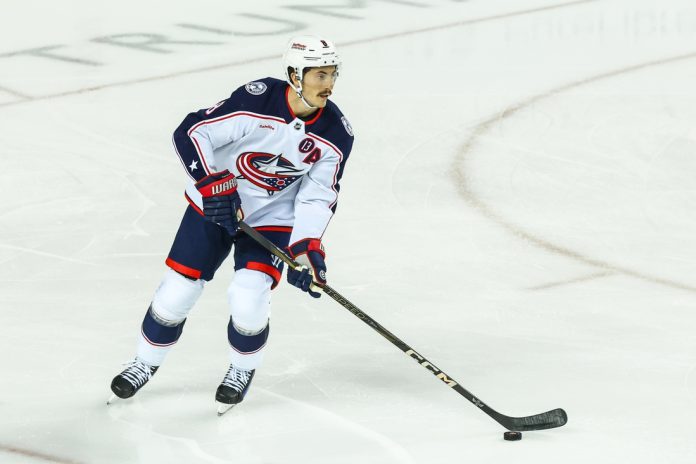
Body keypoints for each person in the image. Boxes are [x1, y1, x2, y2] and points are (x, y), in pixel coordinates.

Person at [108, 35, 353, 414]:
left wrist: (306, 250)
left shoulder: (336, 133)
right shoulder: (258, 101)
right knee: (176, 293)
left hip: (272, 220)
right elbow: (192, 131)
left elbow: (318, 196)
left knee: (248, 297)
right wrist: (213, 185)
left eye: (332, 74)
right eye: (320, 75)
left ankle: (241, 370)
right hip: (216, 206)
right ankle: (144, 362)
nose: (329, 84)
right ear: (295, 75)